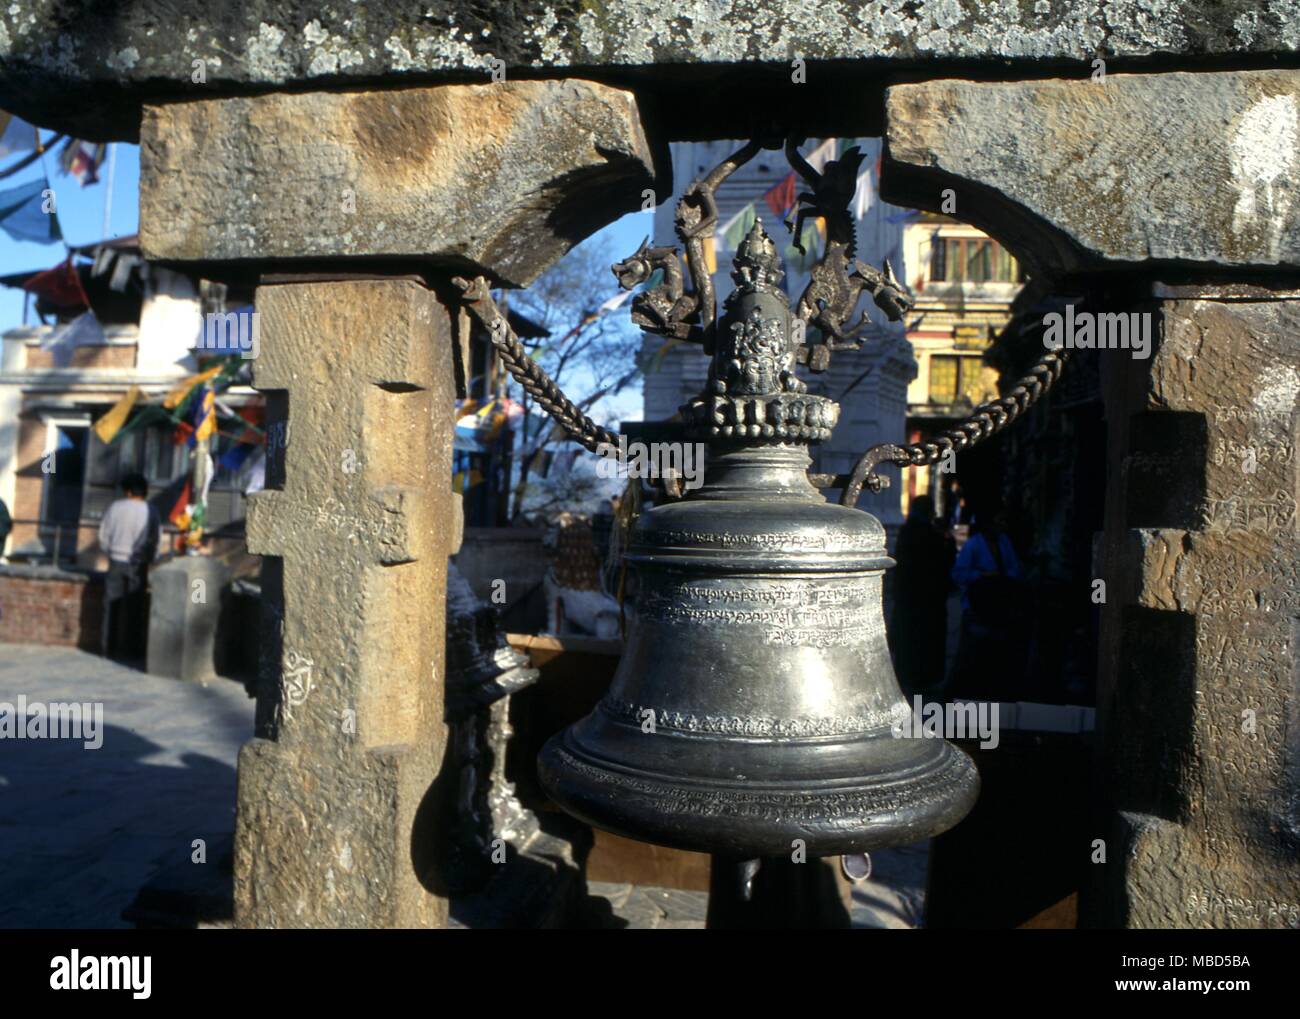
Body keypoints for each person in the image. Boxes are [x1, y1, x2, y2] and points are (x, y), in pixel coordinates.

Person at [947, 509, 1029, 701]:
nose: (1001, 525)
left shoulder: (1004, 542)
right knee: (971, 654)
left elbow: (1014, 568)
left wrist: (1006, 577)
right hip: (977, 607)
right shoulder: (974, 545)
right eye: (998, 521)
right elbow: (958, 574)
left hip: (999, 607)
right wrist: (981, 576)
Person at [888, 494, 954, 698]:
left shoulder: (907, 533)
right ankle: (922, 680)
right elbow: (944, 564)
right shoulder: (932, 535)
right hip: (927, 601)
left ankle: (908, 679)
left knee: (910, 641)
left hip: (911, 600)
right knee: (923, 642)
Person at [99, 473, 160, 663]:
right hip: (138, 563)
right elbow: (155, 540)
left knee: (110, 605)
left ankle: (106, 647)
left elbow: (103, 535)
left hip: (116, 560)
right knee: (135, 607)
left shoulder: (115, 508)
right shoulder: (151, 510)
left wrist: (110, 552)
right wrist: (150, 559)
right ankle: (132, 649)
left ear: (127, 491)